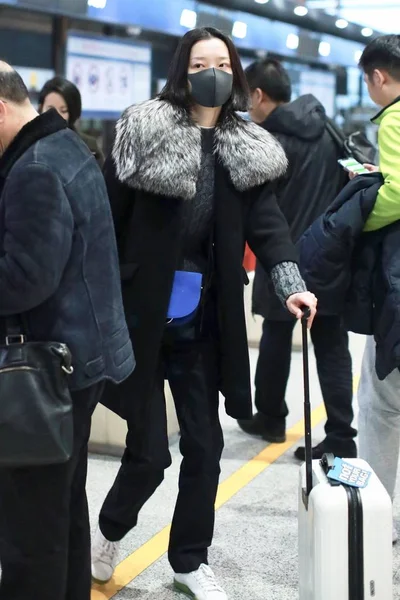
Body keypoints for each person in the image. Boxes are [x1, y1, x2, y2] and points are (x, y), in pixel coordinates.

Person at [91, 27, 317, 600]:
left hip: (205, 319)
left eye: (221, 62)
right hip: (141, 315)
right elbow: (107, 223)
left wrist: (290, 283)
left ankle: (190, 559)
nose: (210, 72)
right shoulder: (143, 132)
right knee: (147, 454)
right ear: (181, 70)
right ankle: (110, 530)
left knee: (206, 446)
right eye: (199, 62)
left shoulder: (245, 147)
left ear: (234, 71)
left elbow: (269, 228)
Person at [0, 62, 134, 600]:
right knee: (63, 507)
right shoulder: (63, 143)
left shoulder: (34, 167)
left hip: (47, 372)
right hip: (78, 360)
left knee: (30, 527)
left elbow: (25, 278)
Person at [237, 59, 356, 461]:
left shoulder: (269, 140)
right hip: (329, 255)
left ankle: (270, 417)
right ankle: (341, 434)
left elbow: (256, 207)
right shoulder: (327, 129)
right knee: (331, 345)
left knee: (274, 336)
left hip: (284, 254)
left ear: (258, 95)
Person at [354, 34, 400, 543]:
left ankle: (375, 516)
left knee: (382, 403)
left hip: (397, 286)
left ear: (378, 78)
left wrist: (360, 216)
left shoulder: (394, 118)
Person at [38, 76, 104, 166]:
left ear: (72, 113)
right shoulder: (29, 144)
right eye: (50, 109)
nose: (56, 115)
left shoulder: (88, 146)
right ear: (41, 108)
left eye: (63, 111)